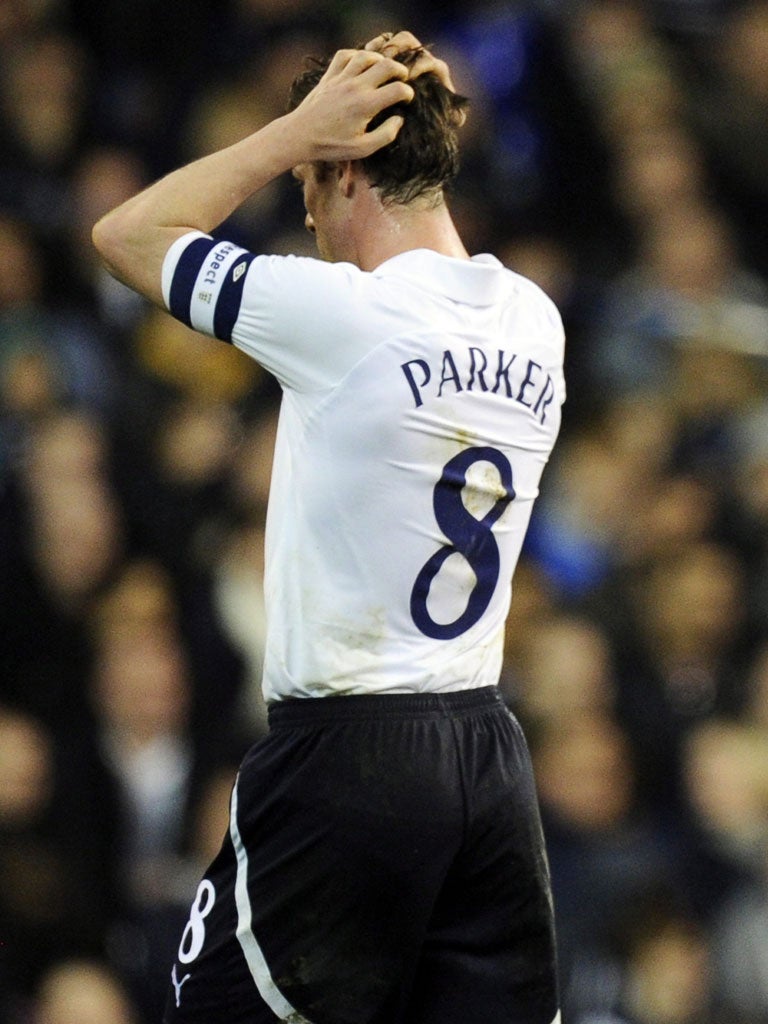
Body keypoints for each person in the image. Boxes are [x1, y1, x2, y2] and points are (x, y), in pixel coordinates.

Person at [92, 29, 565, 1024]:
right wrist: (422, 121)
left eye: (311, 182)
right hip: (488, 756)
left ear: (342, 167)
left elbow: (127, 235)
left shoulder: (339, 313)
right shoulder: (536, 321)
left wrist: (288, 134)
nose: (306, 215)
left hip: (351, 758)